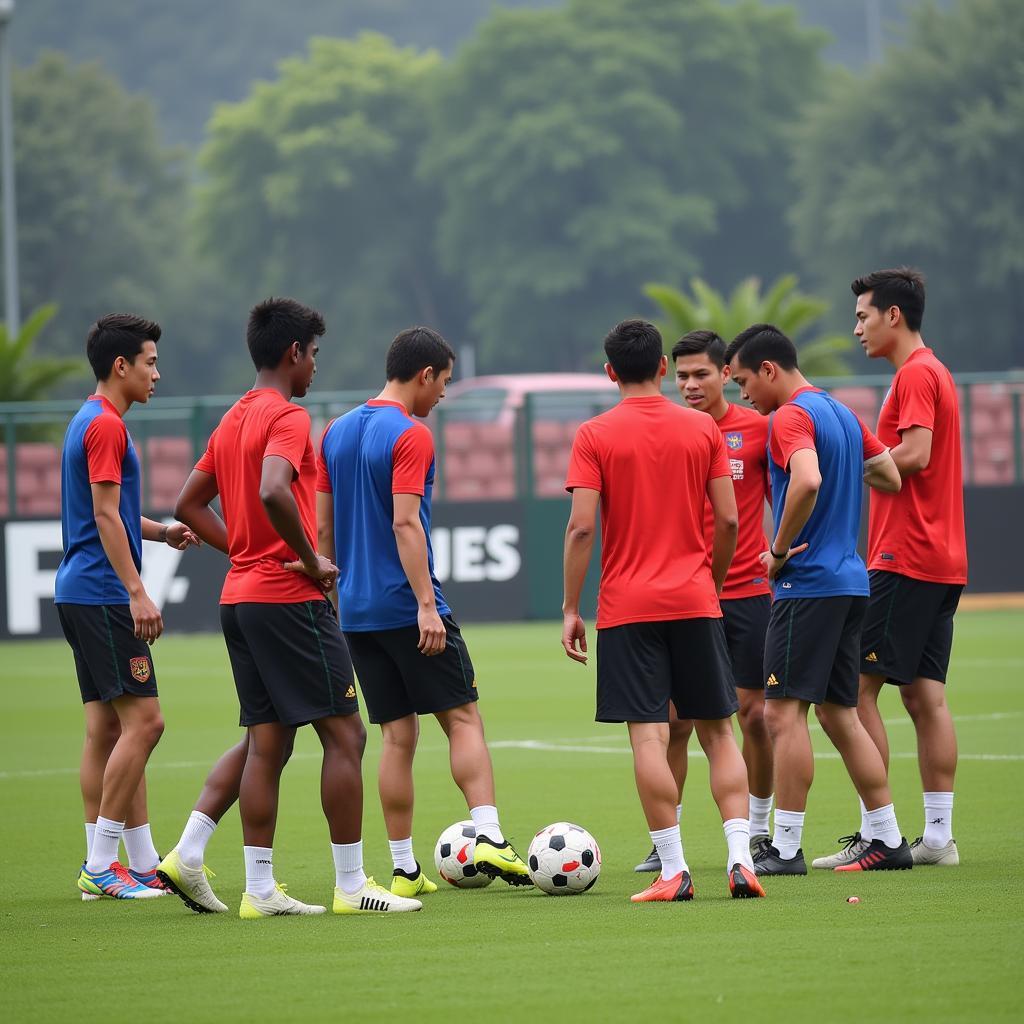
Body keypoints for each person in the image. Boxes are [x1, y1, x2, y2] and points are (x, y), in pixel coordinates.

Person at [158, 297, 421, 918]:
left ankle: (258, 890)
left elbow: (188, 505)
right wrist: (305, 557)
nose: (316, 367)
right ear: (292, 353)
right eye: (314, 354)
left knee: (267, 741)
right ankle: (353, 886)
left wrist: (244, 551)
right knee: (347, 734)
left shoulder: (232, 419)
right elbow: (275, 488)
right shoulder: (288, 417)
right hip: (286, 599)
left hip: (241, 600)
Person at [317, 326, 531, 896]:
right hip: (408, 608)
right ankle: (489, 835)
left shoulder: (334, 431)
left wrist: (341, 599)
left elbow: (322, 530)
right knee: (463, 719)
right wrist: (425, 608)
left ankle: (404, 868)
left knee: (396, 737)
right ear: (424, 375)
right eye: (443, 383)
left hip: (357, 612)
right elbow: (405, 522)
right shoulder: (410, 435)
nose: (442, 396)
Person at [562, 318, 764, 903]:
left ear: (609, 372)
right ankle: (741, 859)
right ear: (659, 369)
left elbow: (580, 528)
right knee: (720, 734)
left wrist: (572, 608)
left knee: (649, 738)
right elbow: (727, 520)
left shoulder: (594, 434)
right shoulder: (703, 429)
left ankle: (673, 870)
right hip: (697, 599)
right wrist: (712, 582)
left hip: (627, 607)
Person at [725, 323, 911, 875]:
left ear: (769, 370)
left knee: (782, 716)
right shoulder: (841, 411)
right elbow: (890, 475)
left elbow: (805, 480)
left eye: (742, 382)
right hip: (851, 582)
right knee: (840, 714)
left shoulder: (790, 417)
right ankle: (888, 837)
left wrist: (779, 550)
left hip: (807, 586)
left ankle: (783, 847)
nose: (743, 396)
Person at [814, 269, 965, 870]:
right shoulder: (933, 371)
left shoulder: (917, 374)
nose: (856, 328)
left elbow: (917, 453)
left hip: (906, 556)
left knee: (852, 692)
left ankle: (883, 834)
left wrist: (849, 463)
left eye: (862, 316)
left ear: (893, 316)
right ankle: (937, 838)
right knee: (926, 697)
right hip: (942, 557)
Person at [56, 313, 199, 900]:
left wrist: (160, 533)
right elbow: (105, 517)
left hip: (78, 589)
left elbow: (111, 513)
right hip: (104, 593)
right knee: (147, 722)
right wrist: (138, 590)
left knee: (107, 730)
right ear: (122, 366)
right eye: (150, 362)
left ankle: (137, 864)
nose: (157, 374)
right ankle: (99, 863)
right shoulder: (107, 427)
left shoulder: (90, 420)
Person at [634, 329, 775, 873]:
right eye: (684, 375)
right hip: (689, 597)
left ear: (725, 375)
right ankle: (666, 838)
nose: (691, 385)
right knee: (674, 723)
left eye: (703, 375)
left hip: (747, 594)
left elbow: (789, 492)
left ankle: (758, 833)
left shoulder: (758, 432)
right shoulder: (672, 432)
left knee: (754, 716)